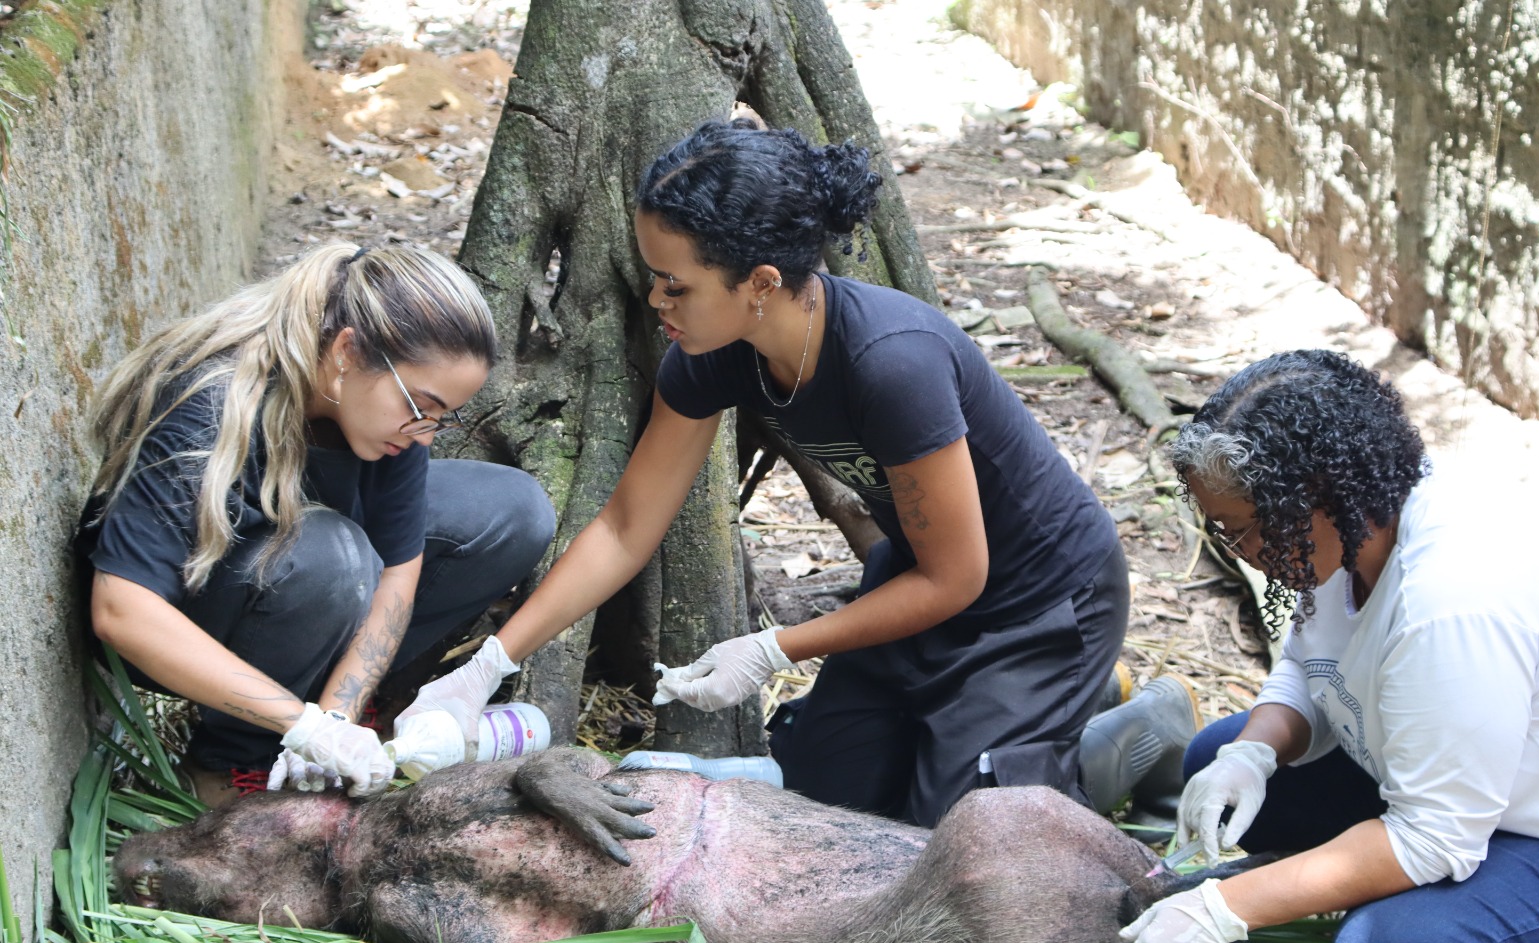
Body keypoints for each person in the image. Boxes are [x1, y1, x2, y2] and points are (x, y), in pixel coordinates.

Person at [401, 118, 1198, 829]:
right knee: (822, 807)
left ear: (760, 284)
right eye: (653, 275)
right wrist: (487, 666)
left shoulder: (893, 364)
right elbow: (624, 527)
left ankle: (1118, 732)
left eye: (676, 284)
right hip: (916, 580)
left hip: (1040, 601)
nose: (655, 300)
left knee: (953, 841)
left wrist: (774, 649)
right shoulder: (711, 354)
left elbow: (959, 576)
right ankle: (1050, 722)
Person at [1117, 349, 1539, 943]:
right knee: (1214, 755)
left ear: (1316, 490)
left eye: (1244, 529)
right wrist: (1251, 754)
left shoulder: (1451, 600)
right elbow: (1310, 667)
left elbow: (1434, 837)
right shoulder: (1358, 523)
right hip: (1490, 797)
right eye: (1223, 533)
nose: (1242, 552)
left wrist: (1225, 907)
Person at [79, 242, 555, 805]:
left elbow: (398, 574)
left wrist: (337, 717)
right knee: (335, 556)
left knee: (515, 510)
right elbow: (121, 611)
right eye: (419, 407)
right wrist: (303, 727)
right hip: (182, 621)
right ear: (347, 351)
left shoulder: (388, 423)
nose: (425, 435)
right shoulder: (211, 405)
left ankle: (348, 714)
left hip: (313, 577)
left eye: (440, 417)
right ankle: (232, 762)